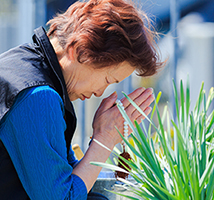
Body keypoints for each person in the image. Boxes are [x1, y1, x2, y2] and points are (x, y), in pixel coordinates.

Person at [0, 0, 163, 199]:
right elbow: (64, 197)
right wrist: (105, 138)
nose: (100, 92)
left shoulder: (24, 65)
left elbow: (70, 180)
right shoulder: (38, 96)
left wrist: (101, 138)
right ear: (77, 49)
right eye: (107, 79)